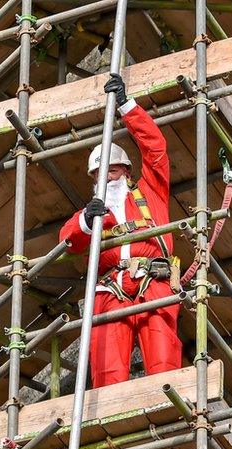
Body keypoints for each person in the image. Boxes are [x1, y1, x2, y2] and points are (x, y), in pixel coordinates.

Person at [60, 73, 182, 389]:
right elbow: (68, 240)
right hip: (108, 289)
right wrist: (88, 220)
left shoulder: (149, 192)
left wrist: (127, 107)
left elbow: (155, 148)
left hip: (151, 281)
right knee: (107, 368)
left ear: (126, 170)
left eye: (111, 170)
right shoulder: (93, 213)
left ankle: (167, 407)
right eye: (99, 174)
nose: (106, 177)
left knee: (162, 361)